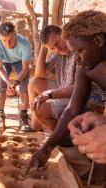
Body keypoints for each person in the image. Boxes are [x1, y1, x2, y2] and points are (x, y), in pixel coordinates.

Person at [26, 10, 106, 174]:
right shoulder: (85, 70)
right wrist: (46, 148)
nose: (76, 58)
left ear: (98, 40)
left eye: (79, 51)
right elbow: (71, 109)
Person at [28, 25, 76, 132]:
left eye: (57, 43)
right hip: (64, 88)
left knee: (40, 108)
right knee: (33, 83)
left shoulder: (78, 51)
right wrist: (43, 48)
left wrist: (49, 94)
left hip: (78, 96)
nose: (57, 49)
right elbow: (39, 74)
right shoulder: (59, 53)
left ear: (64, 33)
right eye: (52, 48)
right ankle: (35, 127)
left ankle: (62, 137)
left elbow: (80, 89)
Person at [0, 22, 32, 130]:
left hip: (20, 62)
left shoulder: (25, 44)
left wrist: (16, 82)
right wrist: (9, 83)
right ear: (0, 37)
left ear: (15, 34)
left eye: (10, 40)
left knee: (24, 84)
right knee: (1, 84)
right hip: (4, 62)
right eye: (4, 40)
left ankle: (24, 116)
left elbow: (25, 68)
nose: (7, 44)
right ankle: (0, 115)